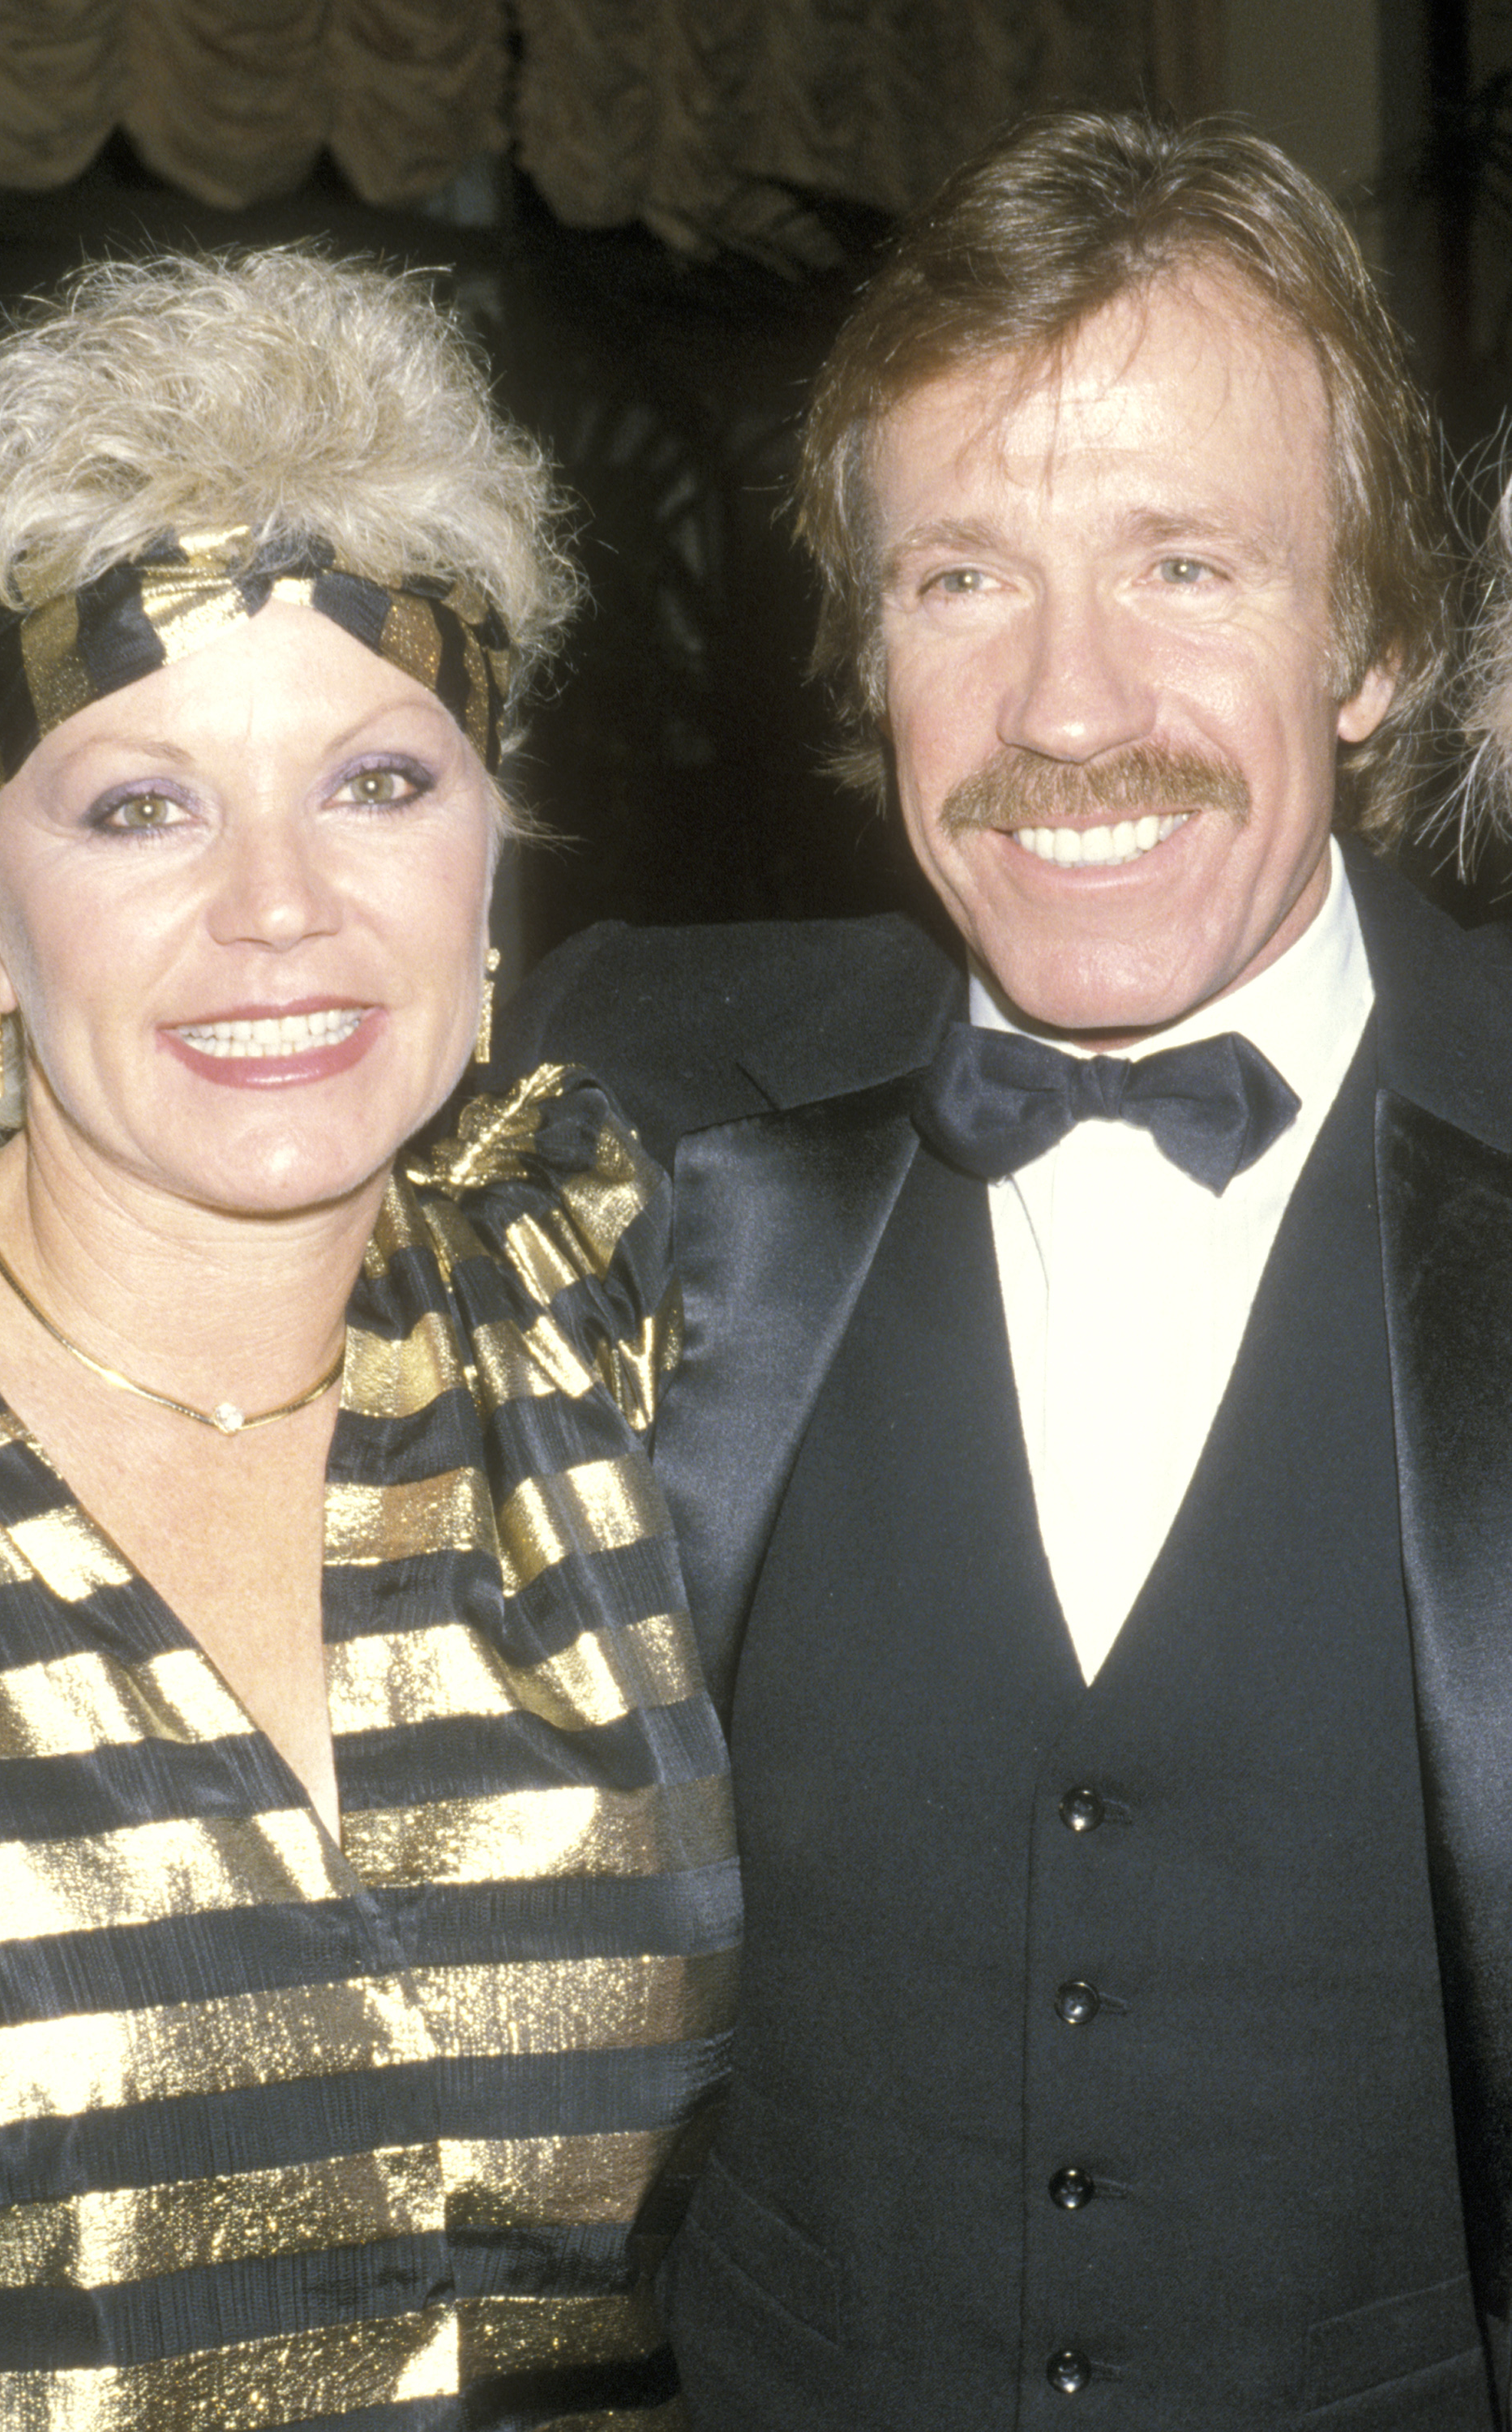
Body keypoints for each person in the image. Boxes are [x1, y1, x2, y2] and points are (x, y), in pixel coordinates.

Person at [496, 112, 1512, 2430]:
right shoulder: (625, 1095)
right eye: (962, 579)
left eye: (1184, 565)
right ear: (865, 651)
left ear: (1370, 642)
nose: (1067, 709)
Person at [0, 248, 736, 2427]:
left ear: (496, 865)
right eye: (141, 806)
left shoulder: (617, 1317)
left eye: (376, 785)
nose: (279, 906)